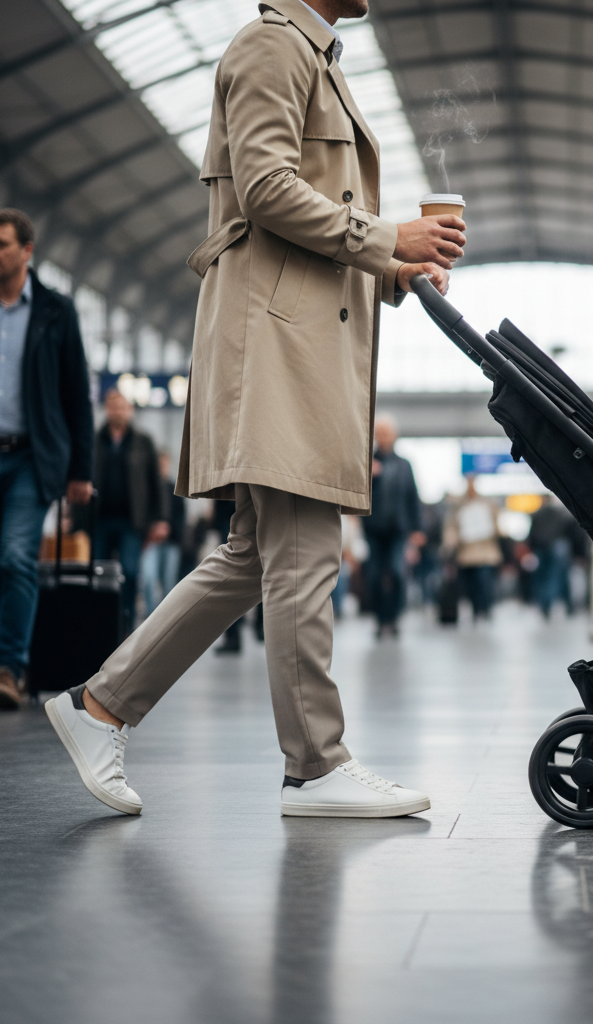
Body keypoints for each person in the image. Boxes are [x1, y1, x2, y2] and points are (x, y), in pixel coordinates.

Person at [44, 0, 461, 818]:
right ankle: (315, 765)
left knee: (252, 558)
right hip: (279, 346)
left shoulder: (312, 56)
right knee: (304, 554)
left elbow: (299, 209)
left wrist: (395, 271)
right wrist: (388, 239)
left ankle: (99, 707)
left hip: (291, 338)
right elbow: (267, 189)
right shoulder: (273, 47)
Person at [0, 209, 93, 710]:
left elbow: (77, 393)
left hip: (30, 457)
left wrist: (81, 470)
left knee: (16, 557)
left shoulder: (57, 311)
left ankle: (9, 669)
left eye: (3, 245)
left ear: (27, 251)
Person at [93, 390, 169, 635]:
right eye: (113, 407)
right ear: (106, 409)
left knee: (129, 570)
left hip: (132, 521)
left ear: (130, 410)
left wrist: (160, 519)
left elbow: (156, 482)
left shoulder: (142, 442)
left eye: (122, 407)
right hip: (99, 520)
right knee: (98, 572)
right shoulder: (95, 440)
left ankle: (126, 624)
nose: (118, 412)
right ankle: (101, 625)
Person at [361, 415, 423, 638]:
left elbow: (413, 497)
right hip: (373, 530)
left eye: (387, 433)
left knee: (397, 573)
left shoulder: (404, 465)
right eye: (380, 433)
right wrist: (369, 476)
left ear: (394, 436)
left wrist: (417, 530)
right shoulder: (367, 463)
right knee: (374, 576)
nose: (384, 437)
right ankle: (380, 620)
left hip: (398, 530)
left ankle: (395, 618)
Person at [445, 476, 502, 620]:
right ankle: (477, 609)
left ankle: (484, 608)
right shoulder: (459, 507)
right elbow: (451, 529)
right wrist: (450, 542)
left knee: (484, 583)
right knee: (470, 586)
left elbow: (497, 525)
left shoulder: (487, 504)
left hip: (485, 553)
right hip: (466, 554)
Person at [141, 450, 186, 617]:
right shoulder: (148, 489)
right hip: (151, 542)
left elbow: (181, 518)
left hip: (171, 543)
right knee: (148, 579)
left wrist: (170, 532)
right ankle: (152, 617)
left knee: (168, 584)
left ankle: (166, 619)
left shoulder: (175, 491)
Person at [528, 495, 576, 618]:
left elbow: (531, 534)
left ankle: (545, 605)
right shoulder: (560, 513)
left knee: (542, 578)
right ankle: (561, 603)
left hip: (540, 548)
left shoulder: (536, 514)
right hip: (556, 547)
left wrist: (532, 548)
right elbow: (569, 531)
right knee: (556, 577)